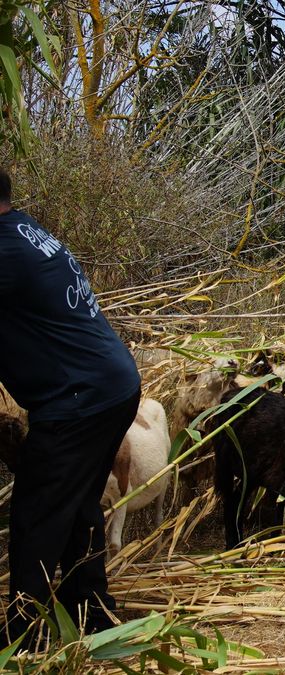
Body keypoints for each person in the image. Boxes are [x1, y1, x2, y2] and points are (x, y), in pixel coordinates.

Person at [0, 169, 141, 645]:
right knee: (77, 504)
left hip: (78, 399)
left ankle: (25, 633)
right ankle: (90, 610)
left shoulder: (3, 250)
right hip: (110, 386)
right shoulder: (26, 231)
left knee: (38, 511)